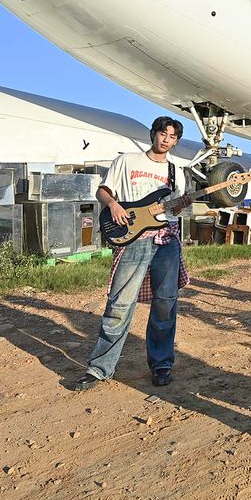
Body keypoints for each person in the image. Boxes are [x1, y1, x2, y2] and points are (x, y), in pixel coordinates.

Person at [72, 116, 189, 391]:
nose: (166, 140)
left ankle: (161, 365)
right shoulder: (127, 161)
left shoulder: (177, 171)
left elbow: (176, 210)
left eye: (172, 137)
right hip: (133, 239)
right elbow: (103, 190)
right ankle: (99, 368)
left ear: (176, 142)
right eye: (162, 134)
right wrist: (112, 204)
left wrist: (180, 205)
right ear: (153, 134)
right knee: (120, 304)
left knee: (165, 303)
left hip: (166, 238)